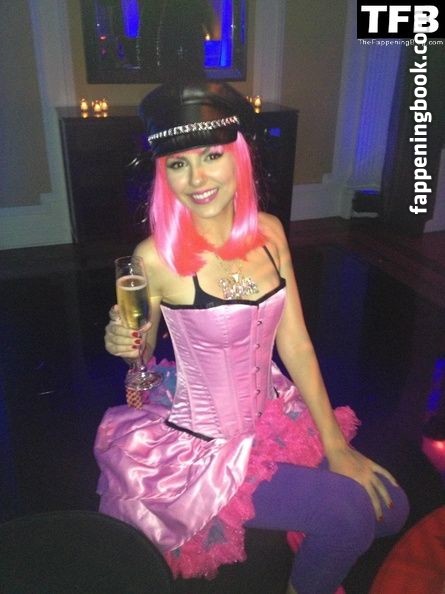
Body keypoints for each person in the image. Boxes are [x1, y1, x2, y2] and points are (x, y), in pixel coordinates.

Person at [96, 81, 409, 594]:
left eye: (211, 156)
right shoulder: (154, 256)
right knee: (350, 515)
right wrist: (125, 341)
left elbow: (296, 344)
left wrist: (336, 446)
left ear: (237, 156)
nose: (197, 178)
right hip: (205, 447)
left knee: (391, 508)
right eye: (178, 164)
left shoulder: (270, 233)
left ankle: (313, 527)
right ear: (163, 174)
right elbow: (142, 350)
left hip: (272, 417)